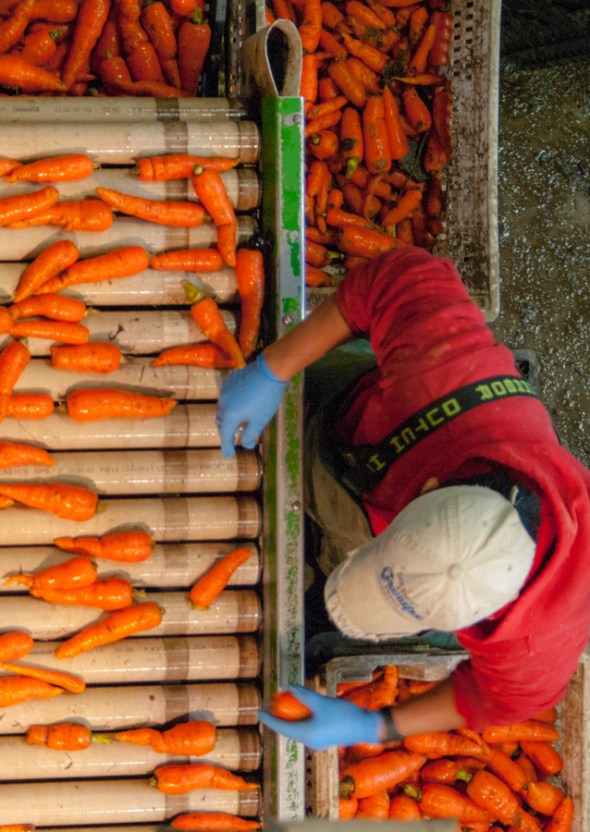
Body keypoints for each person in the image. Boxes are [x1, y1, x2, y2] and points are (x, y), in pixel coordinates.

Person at [216, 246, 590, 750]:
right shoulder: (446, 376)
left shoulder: (537, 640)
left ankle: (344, 555)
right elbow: (398, 275)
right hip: (362, 426)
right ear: (428, 490)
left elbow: (495, 700)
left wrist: (379, 726)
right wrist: (273, 370)